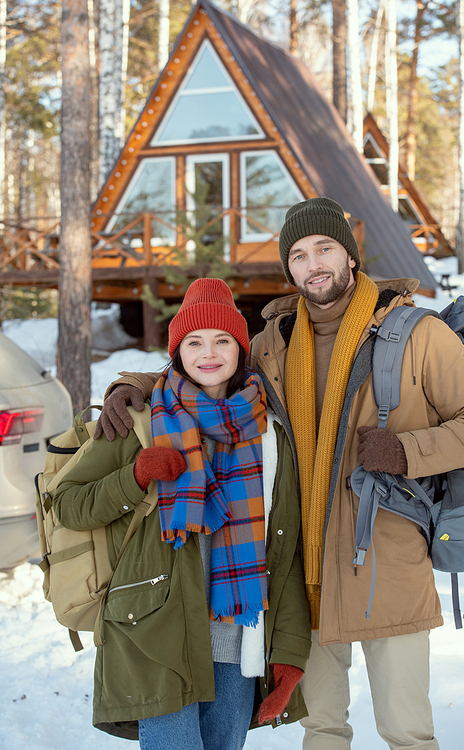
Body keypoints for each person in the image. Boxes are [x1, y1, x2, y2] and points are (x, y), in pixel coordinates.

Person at [95, 198, 464, 750]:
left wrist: (408, 450)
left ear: (350, 256)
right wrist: (136, 385)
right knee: (323, 728)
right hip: (304, 568)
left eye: (326, 249)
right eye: (300, 255)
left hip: (389, 564)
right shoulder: (273, 343)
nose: (314, 264)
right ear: (290, 269)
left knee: (407, 731)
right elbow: (208, 367)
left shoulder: (417, 335)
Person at [53, 278, 311, 750]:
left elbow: (285, 548)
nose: (208, 353)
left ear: (240, 349)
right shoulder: (139, 420)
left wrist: (290, 654)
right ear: (177, 351)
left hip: (239, 636)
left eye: (221, 341)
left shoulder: (270, 434)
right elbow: (68, 503)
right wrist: (134, 477)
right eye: (194, 341)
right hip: (156, 630)